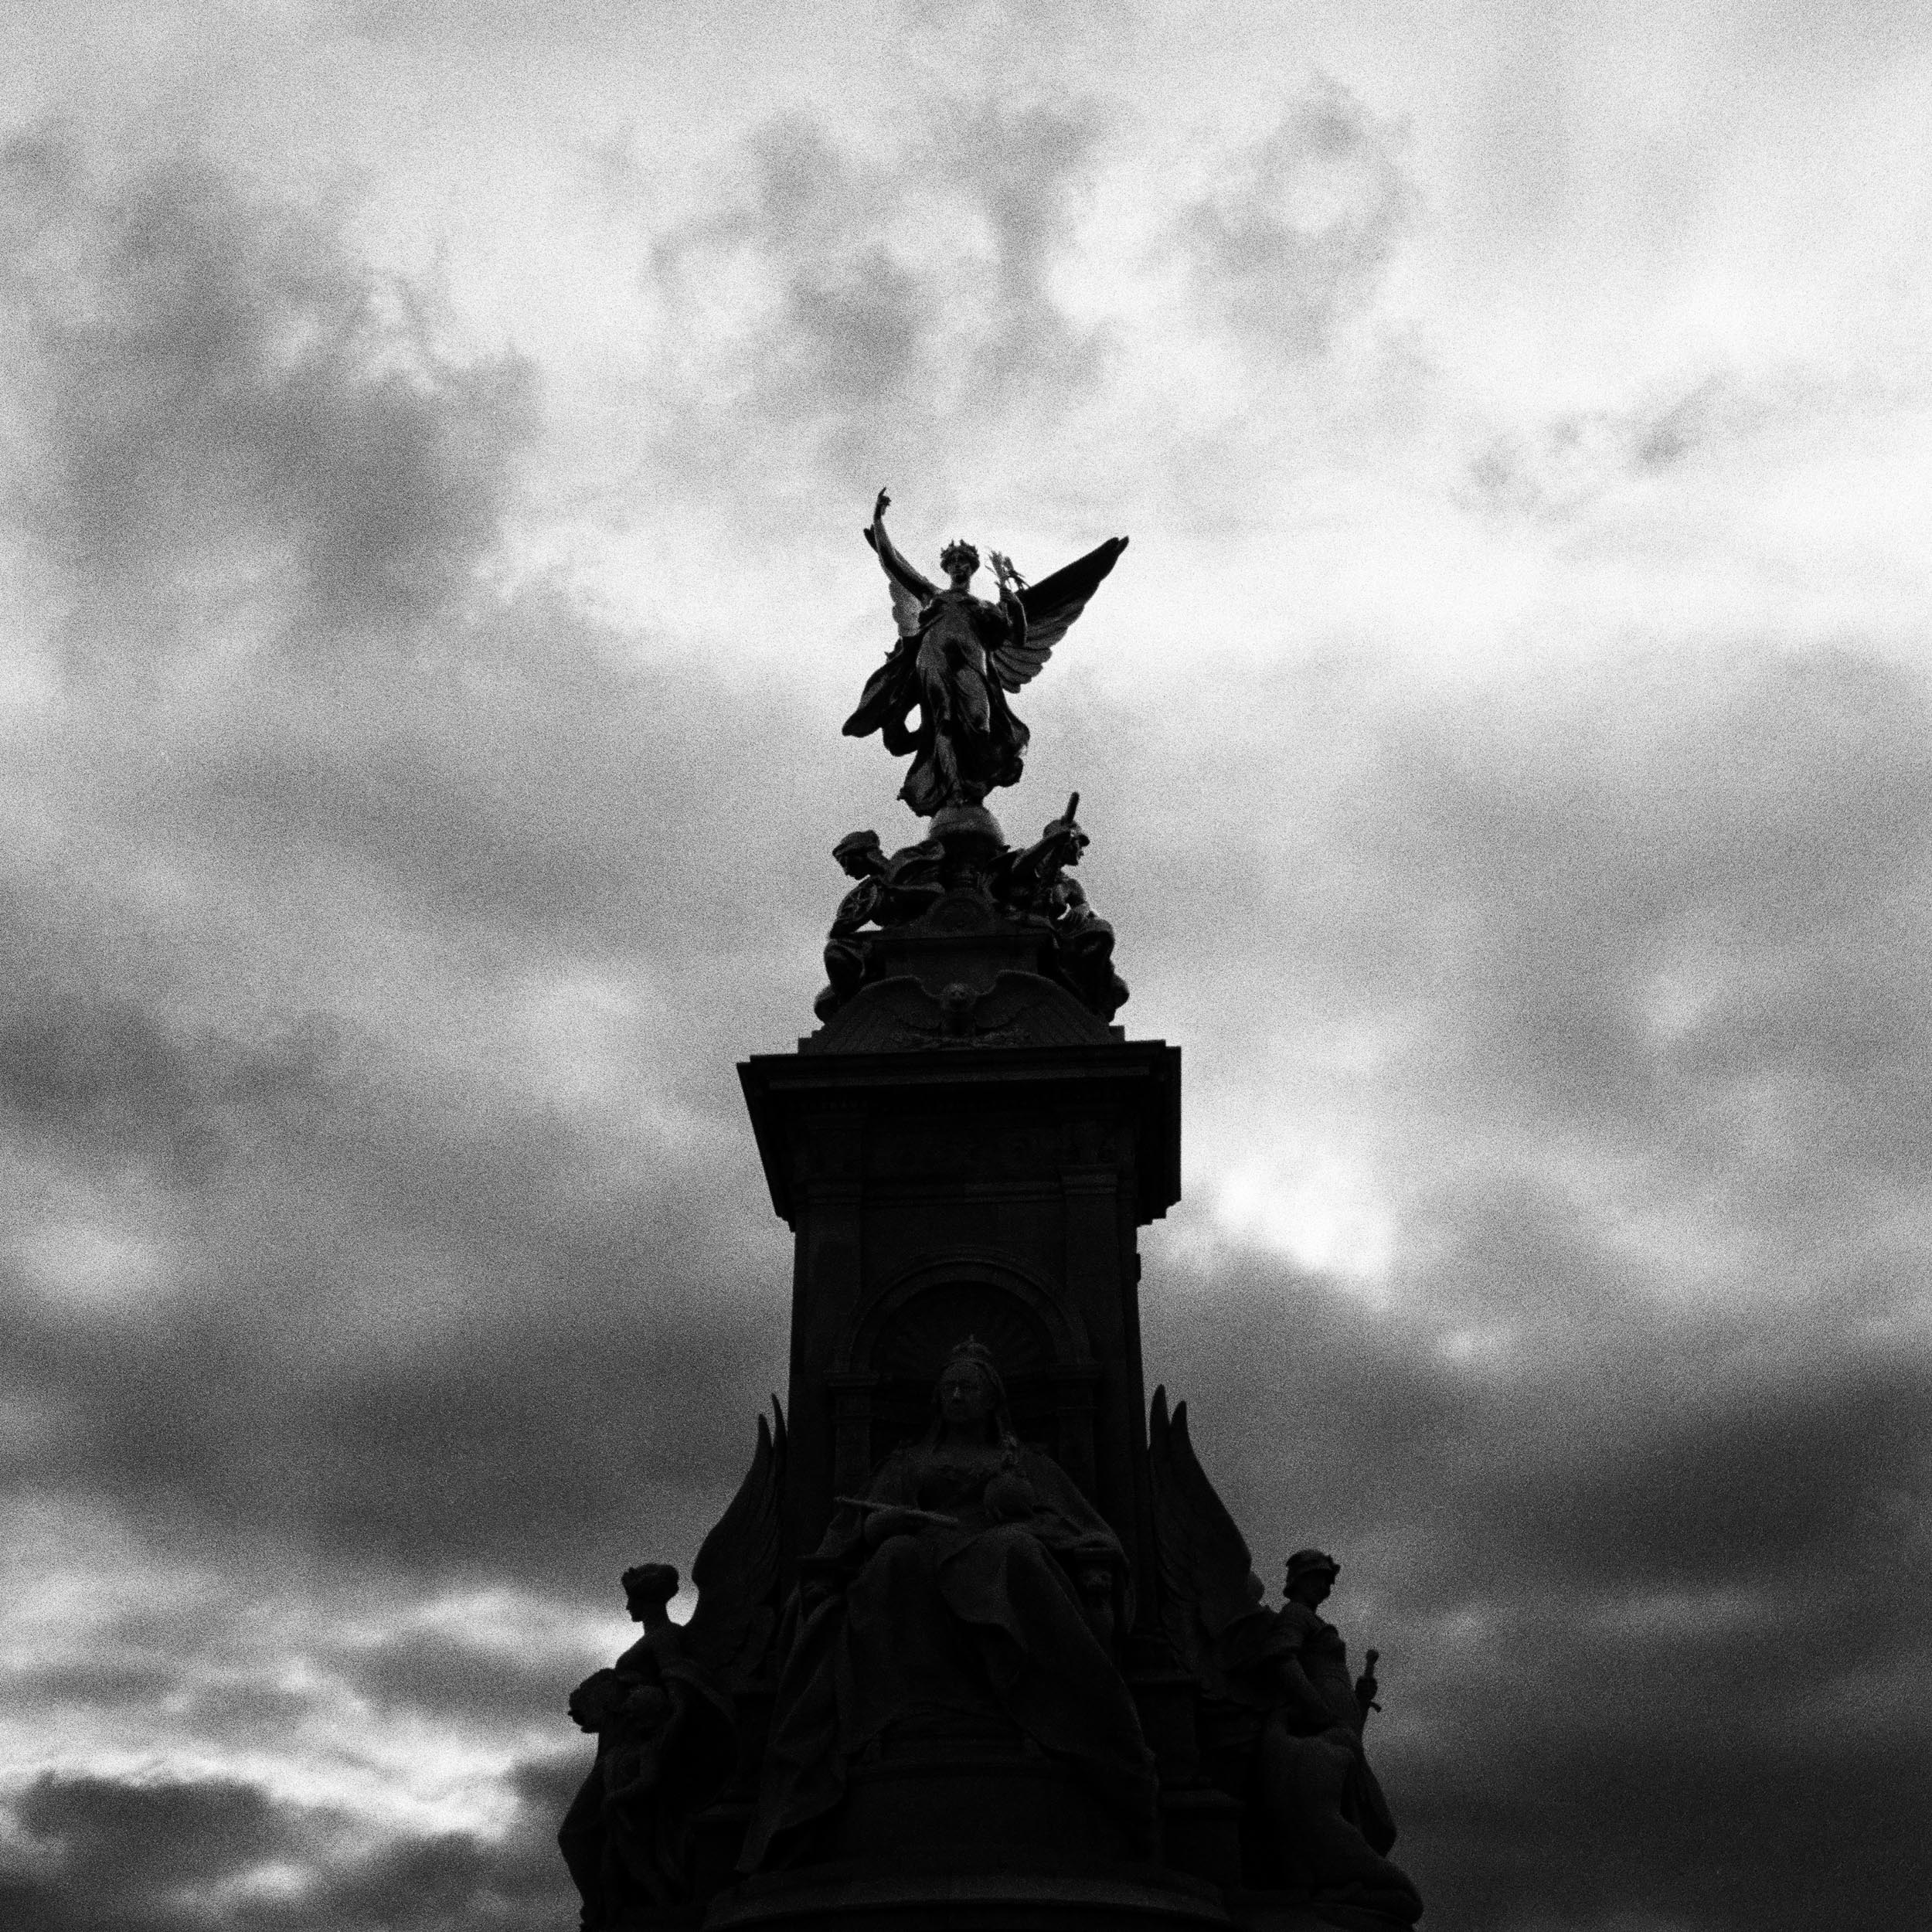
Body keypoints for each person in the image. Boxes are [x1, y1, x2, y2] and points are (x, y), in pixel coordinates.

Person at [740, 1340, 1158, 1868]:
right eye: (949, 1388)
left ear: (992, 1399)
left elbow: (1076, 1525)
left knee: (1017, 1553)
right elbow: (855, 1528)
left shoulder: (1025, 1462)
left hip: (997, 1551)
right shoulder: (908, 1461)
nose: (958, 1396)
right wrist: (881, 1524)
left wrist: (1025, 1524)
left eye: (969, 1387)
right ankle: (897, 1716)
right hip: (922, 1554)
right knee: (894, 1559)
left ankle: (1042, 1702)